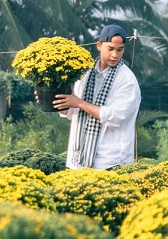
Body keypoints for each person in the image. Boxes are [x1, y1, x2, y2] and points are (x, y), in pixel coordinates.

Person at [53, 24, 141, 170]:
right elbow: (73, 113)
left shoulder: (127, 80)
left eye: (120, 50)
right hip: (78, 161)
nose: (115, 55)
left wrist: (80, 103)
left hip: (111, 162)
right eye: (110, 49)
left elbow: (116, 117)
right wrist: (60, 103)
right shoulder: (84, 73)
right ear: (99, 45)